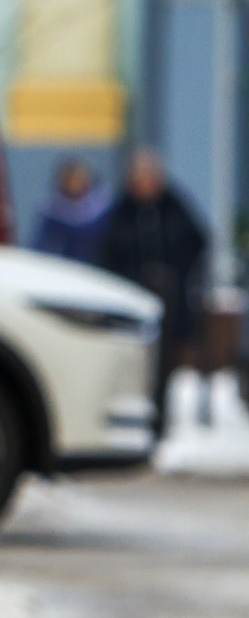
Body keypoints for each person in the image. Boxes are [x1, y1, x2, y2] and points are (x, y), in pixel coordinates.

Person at [97, 148, 208, 437]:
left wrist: (176, 272)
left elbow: (197, 241)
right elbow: (107, 251)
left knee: (164, 364)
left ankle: (160, 422)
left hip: (169, 300)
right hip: (132, 298)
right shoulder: (122, 212)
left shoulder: (173, 206)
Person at [30, 157, 113, 264]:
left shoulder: (104, 210)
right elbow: (40, 247)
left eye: (78, 179)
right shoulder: (53, 214)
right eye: (70, 180)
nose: (74, 184)